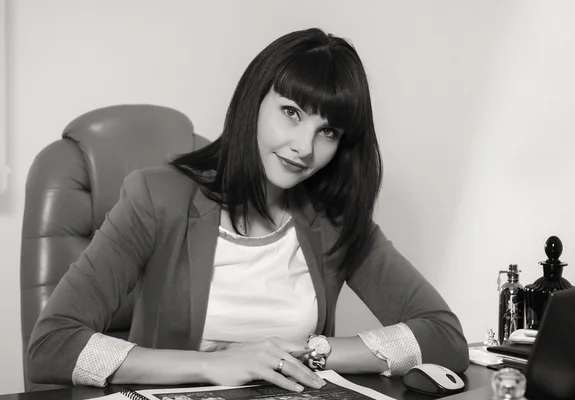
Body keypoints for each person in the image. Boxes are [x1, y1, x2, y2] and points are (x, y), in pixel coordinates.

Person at [27, 28, 469, 393]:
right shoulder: (156, 198)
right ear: (253, 102)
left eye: (327, 131)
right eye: (292, 113)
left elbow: (444, 337)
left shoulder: (334, 222)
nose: (304, 148)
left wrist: (311, 351)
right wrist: (214, 366)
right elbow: (52, 345)